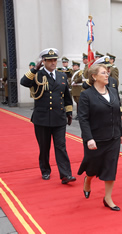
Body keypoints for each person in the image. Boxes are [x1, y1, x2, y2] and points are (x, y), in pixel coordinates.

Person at [20, 48, 76, 184]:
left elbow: (67, 98)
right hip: (42, 118)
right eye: (50, 60)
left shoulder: (62, 76)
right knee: (44, 147)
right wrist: (34, 69)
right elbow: (24, 82)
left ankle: (66, 174)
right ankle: (45, 170)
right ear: (43, 61)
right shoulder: (37, 76)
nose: (53, 62)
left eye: (54, 60)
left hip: (59, 118)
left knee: (61, 146)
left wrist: (69, 113)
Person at [78, 63, 122, 211]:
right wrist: (89, 138)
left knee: (111, 167)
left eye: (107, 72)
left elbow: (117, 114)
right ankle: (88, 179)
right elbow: (83, 118)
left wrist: (121, 133)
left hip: (113, 137)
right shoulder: (86, 95)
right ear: (94, 76)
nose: (107, 75)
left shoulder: (113, 91)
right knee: (93, 167)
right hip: (95, 139)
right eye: (103, 72)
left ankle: (108, 198)